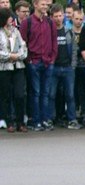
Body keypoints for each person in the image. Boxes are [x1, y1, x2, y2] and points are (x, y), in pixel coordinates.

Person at [21, 0, 57, 131]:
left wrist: (52, 58)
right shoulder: (27, 22)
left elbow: (54, 42)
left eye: (46, 5)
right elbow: (23, 42)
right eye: (42, 4)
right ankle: (35, 120)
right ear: (35, 4)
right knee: (35, 93)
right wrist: (29, 60)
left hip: (47, 62)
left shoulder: (50, 22)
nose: (45, 7)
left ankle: (44, 119)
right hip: (34, 62)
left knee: (45, 93)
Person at [49, 3, 80, 129]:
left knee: (70, 95)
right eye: (55, 16)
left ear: (64, 16)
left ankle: (72, 119)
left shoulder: (69, 31)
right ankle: (50, 118)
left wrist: (73, 65)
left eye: (60, 15)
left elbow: (74, 50)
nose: (58, 18)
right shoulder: (50, 31)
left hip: (67, 68)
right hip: (53, 67)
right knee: (51, 95)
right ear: (52, 17)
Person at [0, 6, 27, 132]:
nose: (11, 19)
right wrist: (9, 56)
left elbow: (23, 47)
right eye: (8, 17)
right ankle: (9, 121)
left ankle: (20, 121)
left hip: (18, 66)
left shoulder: (16, 31)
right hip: (4, 68)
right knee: (6, 96)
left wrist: (18, 56)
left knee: (19, 94)